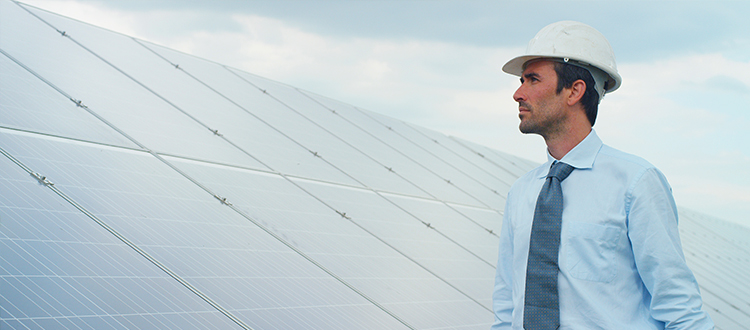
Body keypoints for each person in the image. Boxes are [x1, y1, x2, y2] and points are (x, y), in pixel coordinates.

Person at [491, 21, 714, 330]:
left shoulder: (636, 183)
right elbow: (506, 308)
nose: (518, 93)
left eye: (532, 79)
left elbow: (679, 307)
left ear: (574, 91)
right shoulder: (522, 193)